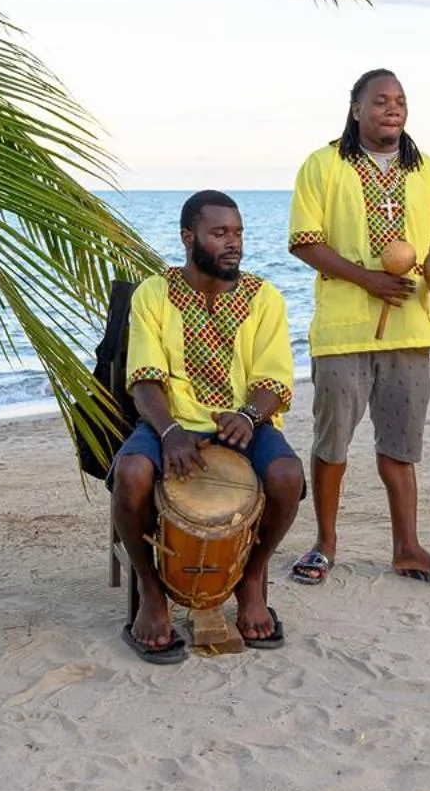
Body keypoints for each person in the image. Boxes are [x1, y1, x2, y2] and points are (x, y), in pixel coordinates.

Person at [285, 69, 430, 591]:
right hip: (343, 330)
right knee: (332, 444)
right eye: (380, 100)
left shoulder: (428, 172)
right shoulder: (323, 165)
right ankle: (325, 543)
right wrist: (367, 279)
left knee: (401, 448)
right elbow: (303, 240)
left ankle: (408, 550)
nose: (392, 108)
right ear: (356, 108)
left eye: (400, 101)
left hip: (410, 330)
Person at [110, 190, 304, 663]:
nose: (232, 243)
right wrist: (169, 431)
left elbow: (275, 380)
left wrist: (250, 416)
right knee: (132, 474)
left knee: (288, 477)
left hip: (244, 424)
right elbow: (144, 380)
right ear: (188, 237)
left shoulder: (264, 299)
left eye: (237, 233)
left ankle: (252, 580)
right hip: (170, 425)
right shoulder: (154, 294)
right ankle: (152, 595)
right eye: (219, 233)